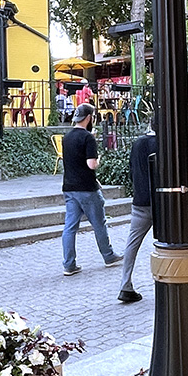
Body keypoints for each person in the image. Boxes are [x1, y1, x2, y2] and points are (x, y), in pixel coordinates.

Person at [60, 103, 120, 276]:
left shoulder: (67, 137)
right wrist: (99, 159)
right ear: (88, 118)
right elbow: (91, 164)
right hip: (87, 187)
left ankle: (69, 264)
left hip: (69, 187)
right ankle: (108, 256)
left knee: (70, 227)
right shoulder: (88, 138)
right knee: (99, 223)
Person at [118, 119, 157, 303]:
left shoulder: (137, 143)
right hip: (160, 202)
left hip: (140, 200)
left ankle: (125, 284)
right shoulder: (162, 144)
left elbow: (132, 170)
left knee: (132, 244)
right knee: (175, 241)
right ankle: (186, 274)